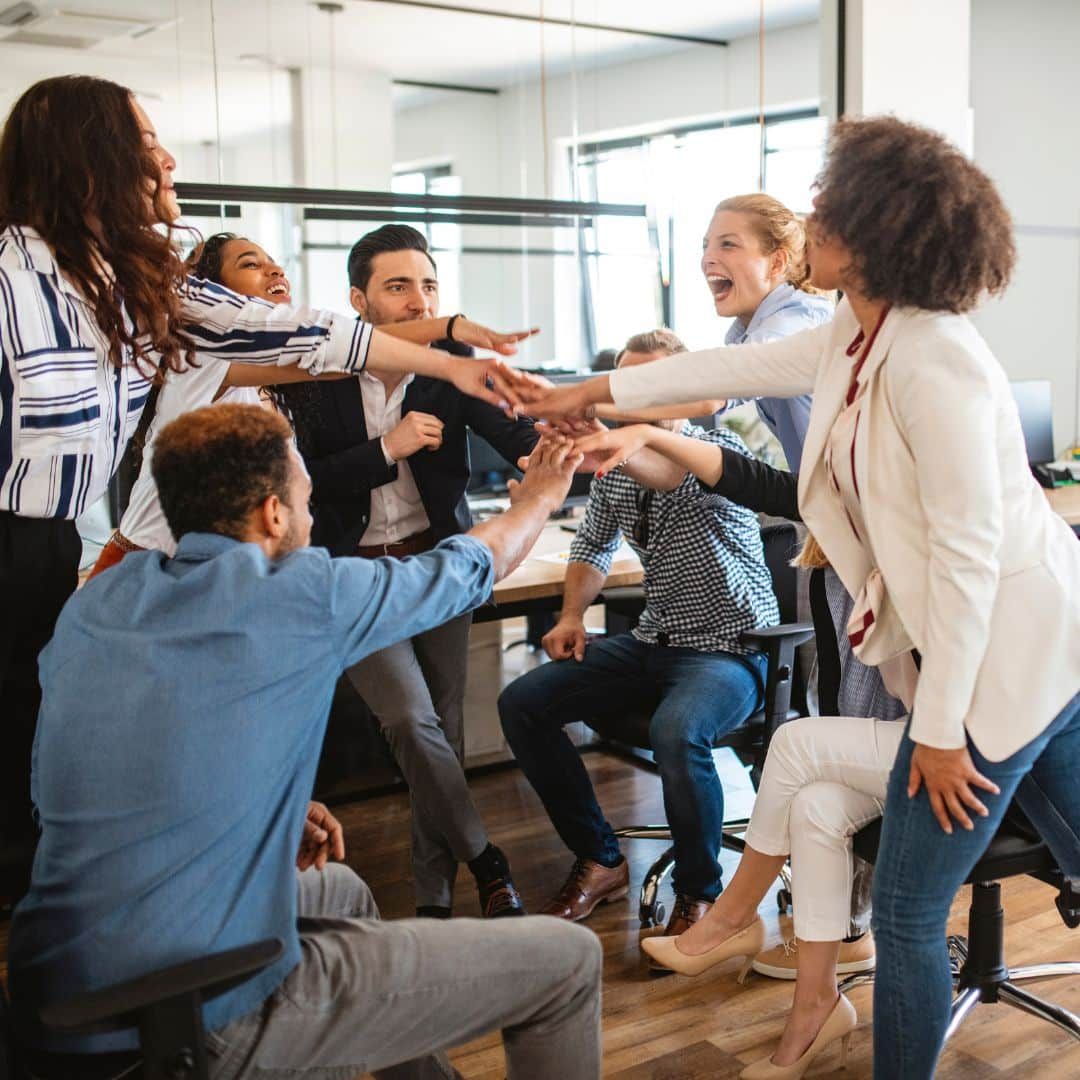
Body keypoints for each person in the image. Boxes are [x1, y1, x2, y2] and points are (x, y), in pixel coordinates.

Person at [520, 115, 1080, 1079]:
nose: (811, 217)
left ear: (873, 227)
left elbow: (967, 563)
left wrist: (939, 730)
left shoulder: (935, 356)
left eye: (826, 206)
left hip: (1005, 665)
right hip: (1023, 659)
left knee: (905, 913)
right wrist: (587, 390)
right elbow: (723, 370)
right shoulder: (856, 337)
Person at [0, 75, 537, 874]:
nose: (171, 161)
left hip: (63, 557)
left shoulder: (141, 289)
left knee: (48, 780)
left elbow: (308, 336)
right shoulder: (14, 273)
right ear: (92, 165)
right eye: (150, 149)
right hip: (103, 557)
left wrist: (453, 360)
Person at [8, 403, 602, 1080]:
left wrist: (265, 814)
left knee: (341, 891)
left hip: (57, 987)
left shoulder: (98, 602)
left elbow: (73, 784)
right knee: (567, 964)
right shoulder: (300, 594)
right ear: (273, 515)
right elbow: (474, 563)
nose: (313, 520)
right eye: (307, 501)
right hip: (190, 1009)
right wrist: (543, 495)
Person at [277, 224, 542, 919]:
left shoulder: (451, 363)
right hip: (352, 576)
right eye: (398, 287)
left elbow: (517, 437)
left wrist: (555, 458)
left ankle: (433, 900)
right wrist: (385, 449)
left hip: (435, 564)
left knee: (445, 729)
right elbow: (298, 484)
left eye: (428, 285)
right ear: (359, 301)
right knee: (410, 721)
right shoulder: (316, 371)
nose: (416, 299)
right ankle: (487, 858)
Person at [498, 329, 780, 953]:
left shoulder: (711, 448)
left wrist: (615, 447)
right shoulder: (618, 466)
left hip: (731, 648)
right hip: (656, 640)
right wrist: (571, 615)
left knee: (676, 731)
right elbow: (593, 543)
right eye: (625, 385)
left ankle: (701, 894)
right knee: (523, 703)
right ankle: (600, 860)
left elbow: (668, 472)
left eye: (649, 386)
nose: (632, 400)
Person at [90, 231, 532, 572]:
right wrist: (448, 329)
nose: (275, 272)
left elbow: (350, 349)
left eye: (276, 265)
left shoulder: (281, 383)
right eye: (252, 265)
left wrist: (450, 339)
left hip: (231, 571)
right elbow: (350, 346)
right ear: (216, 298)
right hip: (152, 566)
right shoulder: (204, 358)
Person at [700, 193, 832, 471]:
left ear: (776, 263)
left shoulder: (794, 324)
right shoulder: (747, 332)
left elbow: (710, 393)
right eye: (705, 246)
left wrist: (590, 401)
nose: (708, 259)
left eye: (728, 245)